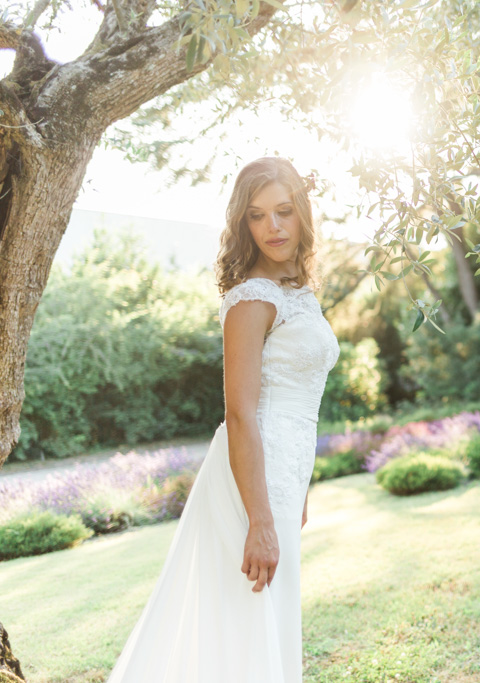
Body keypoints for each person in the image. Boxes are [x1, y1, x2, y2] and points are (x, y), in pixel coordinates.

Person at [107, 157, 340, 683]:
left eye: (283, 211)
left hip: (282, 478)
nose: (273, 227)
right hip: (248, 484)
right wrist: (258, 518)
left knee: (265, 621)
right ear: (243, 224)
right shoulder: (251, 299)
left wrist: (296, 488)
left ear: (302, 214)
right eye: (257, 216)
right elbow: (240, 413)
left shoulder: (296, 294)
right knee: (242, 621)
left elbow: (299, 400)